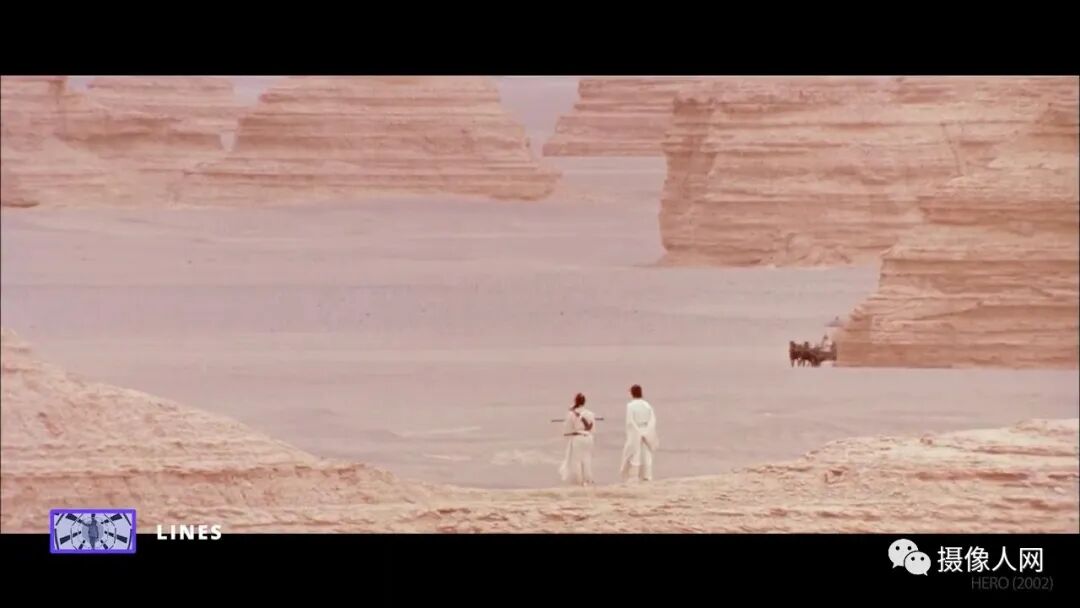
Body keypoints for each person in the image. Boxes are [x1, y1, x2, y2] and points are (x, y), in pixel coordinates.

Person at [620, 384, 659, 482]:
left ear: (632, 393)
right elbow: (652, 420)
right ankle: (646, 475)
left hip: (635, 432)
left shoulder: (630, 406)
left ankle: (633, 476)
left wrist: (637, 432)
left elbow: (630, 421)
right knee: (646, 455)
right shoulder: (647, 405)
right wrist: (646, 432)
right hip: (646, 430)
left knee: (634, 454)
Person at [558, 393, 596, 486]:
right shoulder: (591, 414)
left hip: (578, 438)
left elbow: (567, 429)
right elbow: (592, 429)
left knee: (577, 461)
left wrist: (570, 432)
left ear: (576, 401)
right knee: (587, 459)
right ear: (584, 402)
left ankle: (580, 481)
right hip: (589, 438)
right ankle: (588, 480)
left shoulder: (572, 414)